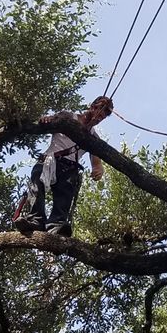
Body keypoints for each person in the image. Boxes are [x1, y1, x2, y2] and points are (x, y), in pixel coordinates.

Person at [14, 96, 114, 237]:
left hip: (70, 168)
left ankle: (56, 227)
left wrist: (98, 169)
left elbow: (96, 159)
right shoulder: (68, 117)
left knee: (64, 196)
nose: (99, 118)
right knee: (37, 185)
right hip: (50, 160)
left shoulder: (93, 138)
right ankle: (35, 220)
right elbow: (51, 119)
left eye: (103, 117)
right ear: (92, 107)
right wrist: (46, 119)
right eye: (100, 112)